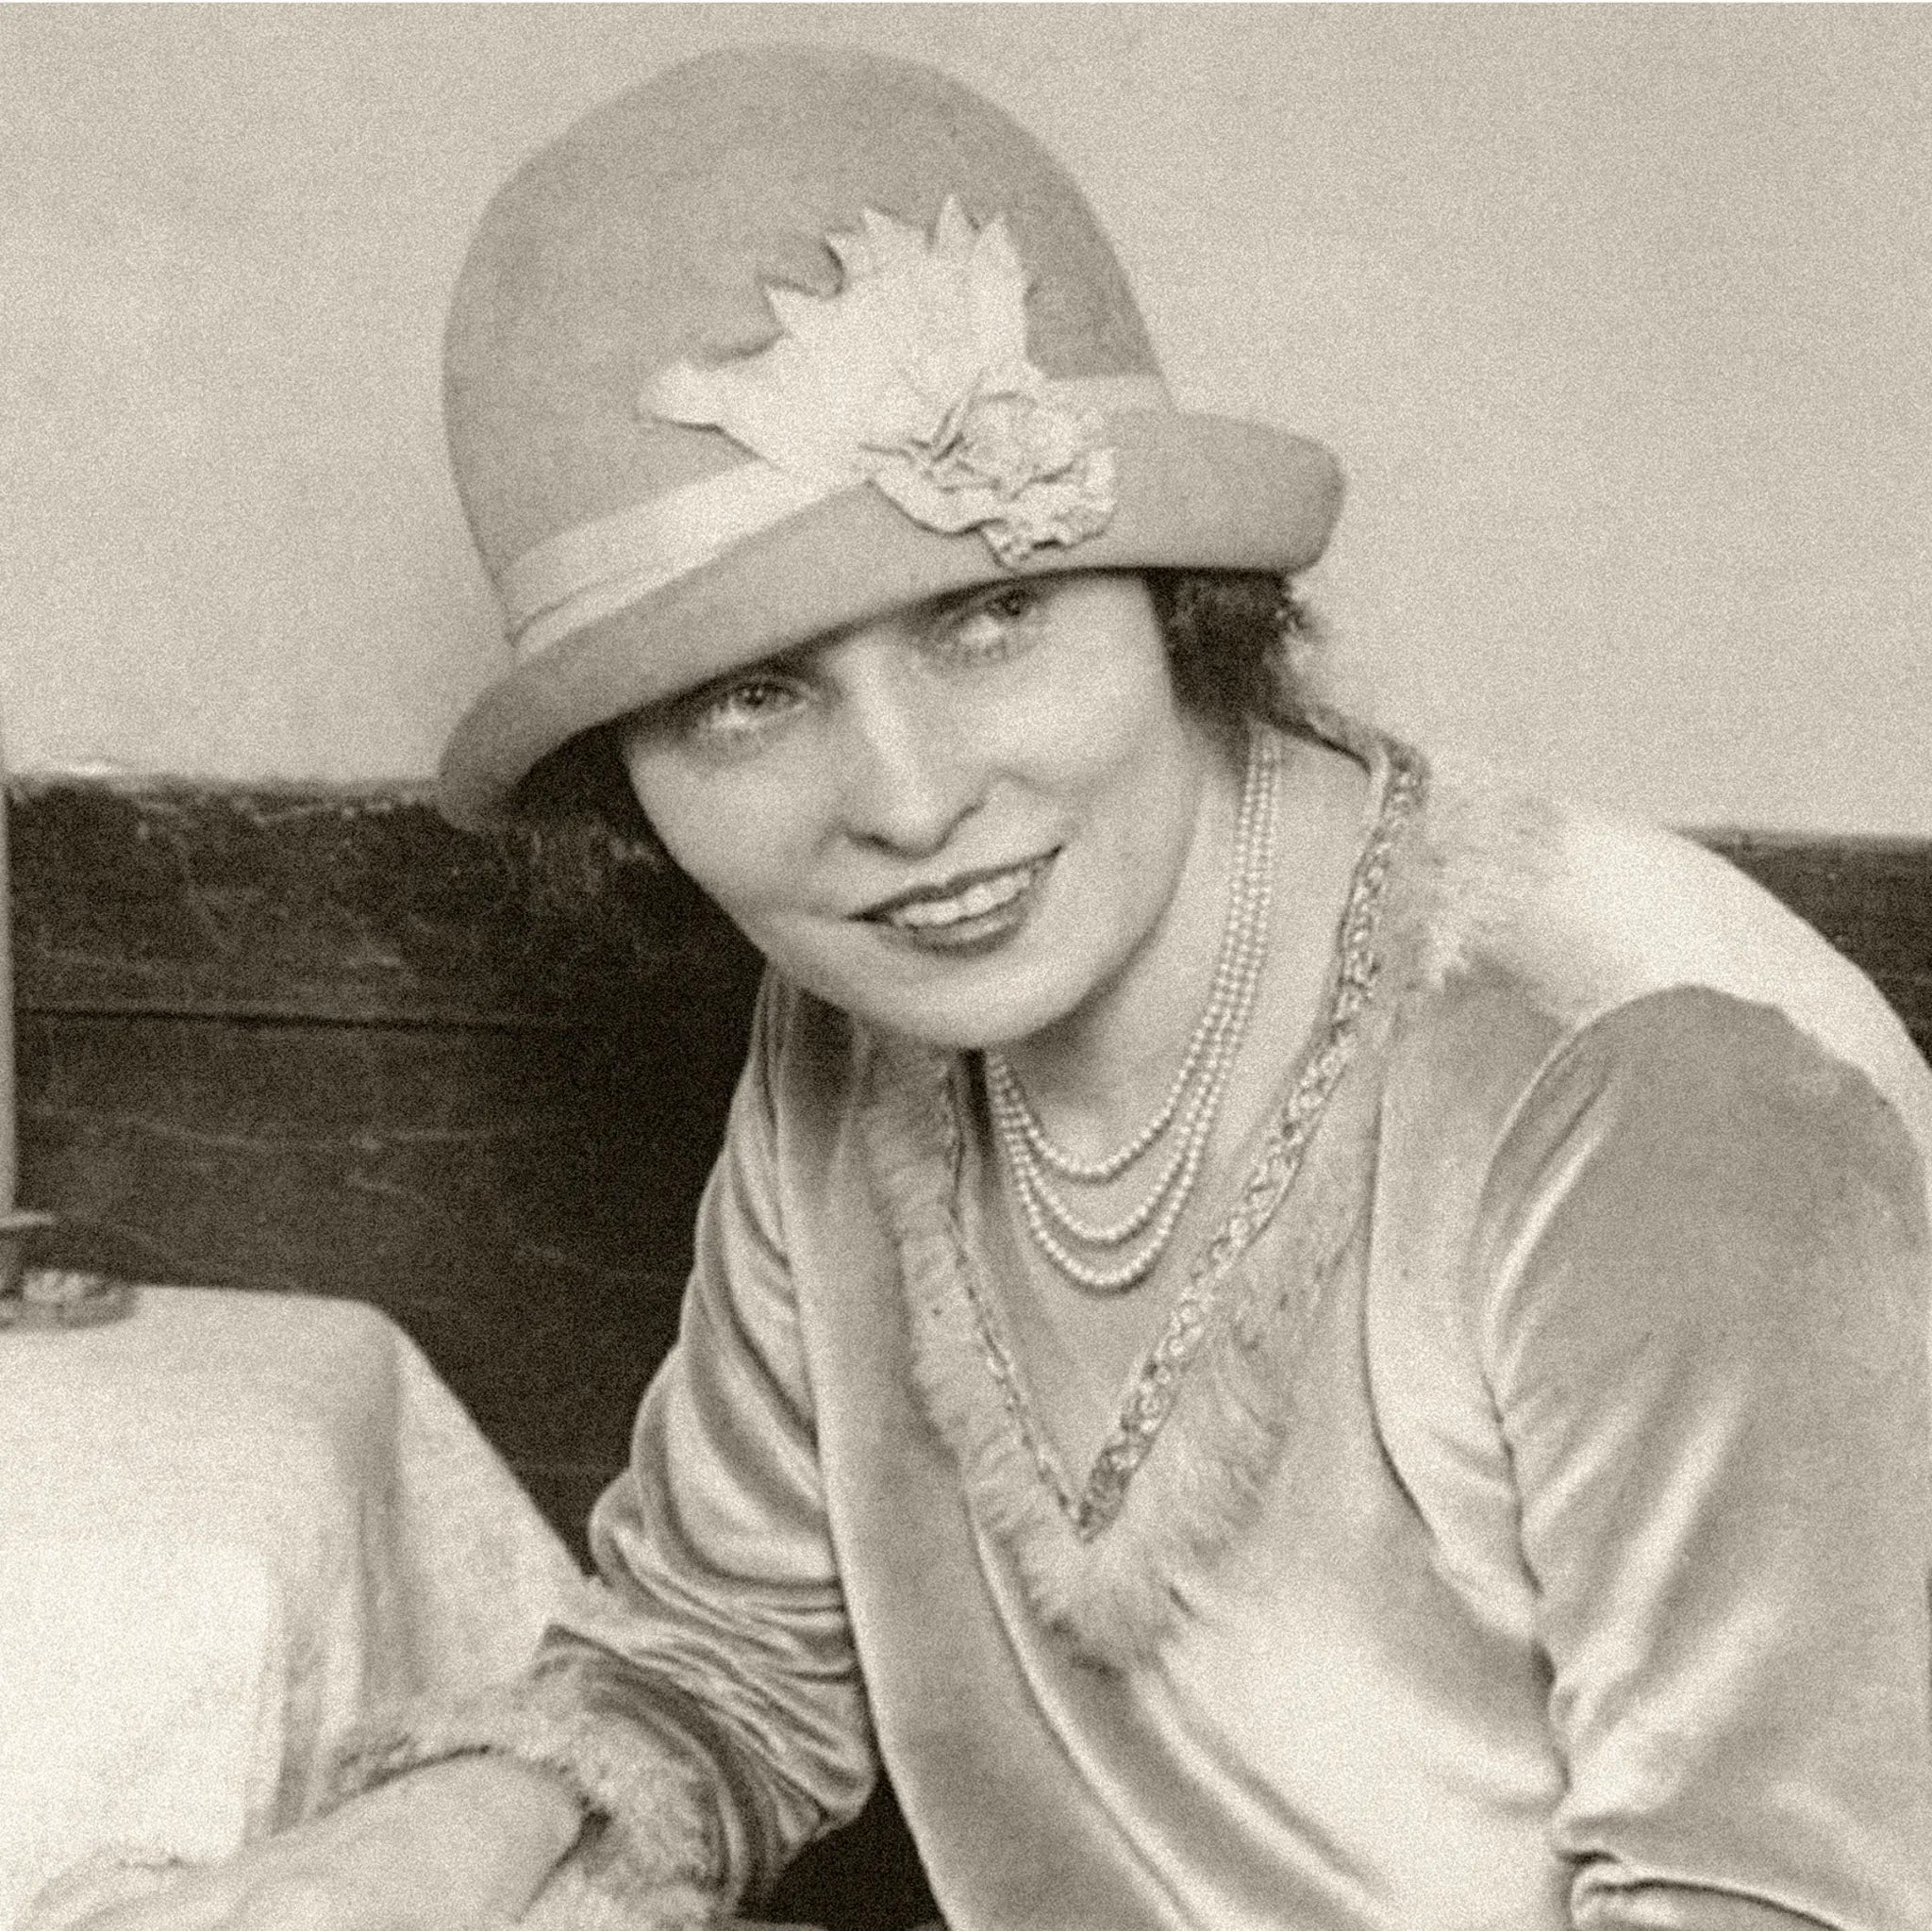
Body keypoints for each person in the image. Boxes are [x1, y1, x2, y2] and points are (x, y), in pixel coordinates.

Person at [50, 42, 1932, 1931]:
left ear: (1171, 593)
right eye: (747, 695)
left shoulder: (1651, 1079)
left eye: (987, 615)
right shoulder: (863, 1026)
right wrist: (366, 1872)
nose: (909, 801)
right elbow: (728, 1665)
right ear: (627, 782)